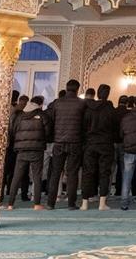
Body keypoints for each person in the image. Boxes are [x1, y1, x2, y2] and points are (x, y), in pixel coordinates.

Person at [46, 79, 86, 210]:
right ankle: (71, 203)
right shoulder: (81, 104)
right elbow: (84, 124)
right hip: (75, 142)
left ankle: (51, 203)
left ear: (66, 88)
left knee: (55, 173)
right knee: (72, 173)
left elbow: (50, 121)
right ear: (78, 89)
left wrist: (52, 137)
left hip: (59, 142)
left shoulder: (57, 103)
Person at [82, 84, 117, 211]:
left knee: (88, 172)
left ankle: (84, 203)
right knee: (104, 173)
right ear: (108, 94)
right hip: (106, 144)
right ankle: (102, 203)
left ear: (97, 93)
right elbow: (115, 128)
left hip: (91, 144)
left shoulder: (89, 109)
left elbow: (84, 127)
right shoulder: (111, 110)